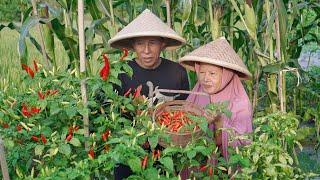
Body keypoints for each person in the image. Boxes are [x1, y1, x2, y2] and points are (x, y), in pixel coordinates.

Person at [108, 9, 189, 180]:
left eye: (152, 43)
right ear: (132, 46)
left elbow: (184, 114)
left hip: (167, 153)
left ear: (162, 44)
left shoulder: (177, 72)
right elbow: (109, 115)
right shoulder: (121, 73)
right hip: (129, 151)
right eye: (139, 44)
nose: (146, 50)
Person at [179, 37, 253, 160]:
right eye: (202, 73)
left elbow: (242, 147)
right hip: (197, 163)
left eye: (212, 74)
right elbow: (182, 122)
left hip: (223, 168)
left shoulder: (240, 104)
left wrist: (219, 122)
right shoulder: (198, 93)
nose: (205, 79)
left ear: (226, 76)